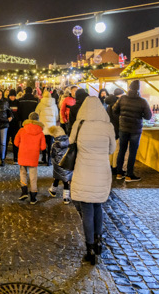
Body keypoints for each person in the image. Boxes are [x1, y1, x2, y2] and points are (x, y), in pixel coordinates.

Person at [70, 96, 115, 265]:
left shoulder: (79, 124)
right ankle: (99, 242)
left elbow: (70, 142)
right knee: (98, 205)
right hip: (101, 171)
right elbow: (112, 149)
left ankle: (89, 248)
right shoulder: (107, 126)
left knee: (87, 209)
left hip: (83, 170)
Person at [112, 80, 152, 182]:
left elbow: (114, 109)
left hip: (123, 128)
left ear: (129, 88)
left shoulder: (123, 99)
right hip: (135, 129)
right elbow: (148, 116)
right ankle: (129, 174)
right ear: (138, 89)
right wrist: (140, 115)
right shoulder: (142, 101)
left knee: (122, 150)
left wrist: (122, 115)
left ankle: (119, 173)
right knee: (132, 152)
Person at [14, 112, 46, 205]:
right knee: (33, 177)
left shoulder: (22, 130)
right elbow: (43, 147)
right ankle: (33, 197)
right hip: (33, 156)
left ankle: (24, 192)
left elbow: (16, 143)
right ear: (38, 120)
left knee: (23, 173)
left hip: (23, 154)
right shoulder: (40, 132)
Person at [105, 88, 128, 178]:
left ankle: (110, 166)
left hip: (110, 129)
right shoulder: (117, 105)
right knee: (117, 150)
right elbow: (118, 119)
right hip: (117, 129)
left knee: (111, 149)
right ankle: (115, 167)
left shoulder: (109, 105)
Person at [47, 125, 73, 204]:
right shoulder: (69, 141)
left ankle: (58, 193)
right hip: (67, 163)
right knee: (65, 179)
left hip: (58, 164)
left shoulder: (55, 144)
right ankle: (62, 195)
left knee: (59, 177)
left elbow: (52, 154)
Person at [35, 90, 59, 165]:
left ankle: (44, 158)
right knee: (50, 144)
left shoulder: (40, 105)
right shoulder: (54, 105)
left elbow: (36, 115)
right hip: (51, 128)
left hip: (43, 128)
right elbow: (57, 117)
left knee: (43, 144)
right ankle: (49, 160)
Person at [6, 89, 21, 164]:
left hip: (15, 125)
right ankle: (4, 156)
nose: (12, 97)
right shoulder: (6, 102)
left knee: (15, 142)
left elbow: (20, 112)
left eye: (13, 96)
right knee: (5, 141)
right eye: (11, 96)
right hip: (7, 124)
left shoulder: (18, 102)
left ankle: (16, 157)